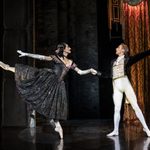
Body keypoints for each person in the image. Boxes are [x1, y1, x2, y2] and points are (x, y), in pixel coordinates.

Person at [0, 42, 98, 139]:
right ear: (63, 49)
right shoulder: (55, 58)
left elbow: (80, 72)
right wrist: (26, 54)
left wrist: (90, 70)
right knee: (31, 73)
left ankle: (57, 126)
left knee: (54, 106)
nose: (70, 48)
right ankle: (8, 67)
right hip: (48, 79)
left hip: (58, 86)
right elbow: (41, 57)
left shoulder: (70, 62)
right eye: (68, 47)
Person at [107, 43, 150, 137]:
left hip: (125, 84)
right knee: (117, 109)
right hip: (116, 85)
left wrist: (148, 51)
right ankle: (115, 130)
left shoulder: (127, 60)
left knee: (135, 106)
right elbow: (109, 75)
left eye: (118, 47)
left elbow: (139, 56)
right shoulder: (113, 62)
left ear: (123, 50)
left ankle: (146, 128)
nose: (116, 48)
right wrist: (96, 73)